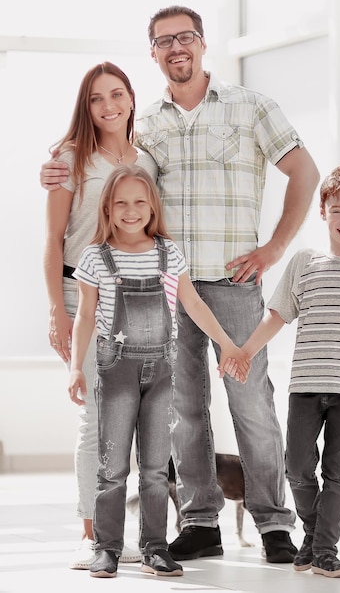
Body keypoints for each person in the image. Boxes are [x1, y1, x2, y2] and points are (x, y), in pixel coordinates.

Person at [40, 4, 320, 563]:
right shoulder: (148, 129)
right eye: (163, 41)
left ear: (202, 43)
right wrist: (50, 168)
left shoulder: (250, 106)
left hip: (233, 285)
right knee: (183, 410)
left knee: (252, 405)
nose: (176, 48)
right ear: (153, 53)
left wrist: (273, 248)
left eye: (185, 37)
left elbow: (306, 174)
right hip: (165, 293)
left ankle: (272, 524)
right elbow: (98, 165)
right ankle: (198, 521)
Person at [69, 164, 249, 578]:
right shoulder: (96, 257)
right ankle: (107, 547)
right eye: (121, 204)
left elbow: (195, 305)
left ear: (152, 207)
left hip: (160, 371)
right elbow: (84, 316)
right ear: (108, 209)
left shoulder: (169, 253)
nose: (131, 211)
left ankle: (154, 547)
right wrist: (74, 369)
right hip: (114, 370)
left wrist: (227, 343)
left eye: (139, 202)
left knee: (154, 468)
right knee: (112, 467)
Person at [236, 165, 340, 577]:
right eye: (337, 210)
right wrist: (244, 352)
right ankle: (314, 538)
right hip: (307, 386)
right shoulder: (304, 262)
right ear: (322, 212)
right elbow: (277, 316)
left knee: (336, 472)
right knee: (296, 466)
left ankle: (324, 551)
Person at [43, 61, 158, 569]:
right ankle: (91, 533)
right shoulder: (70, 158)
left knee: (131, 421)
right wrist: (56, 312)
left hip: (138, 298)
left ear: (131, 98)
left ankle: (118, 531)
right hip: (79, 295)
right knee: (95, 419)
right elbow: (53, 240)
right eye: (96, 98)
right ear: (85, 107)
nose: (108, 106)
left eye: (116, 94)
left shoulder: (148, 159)